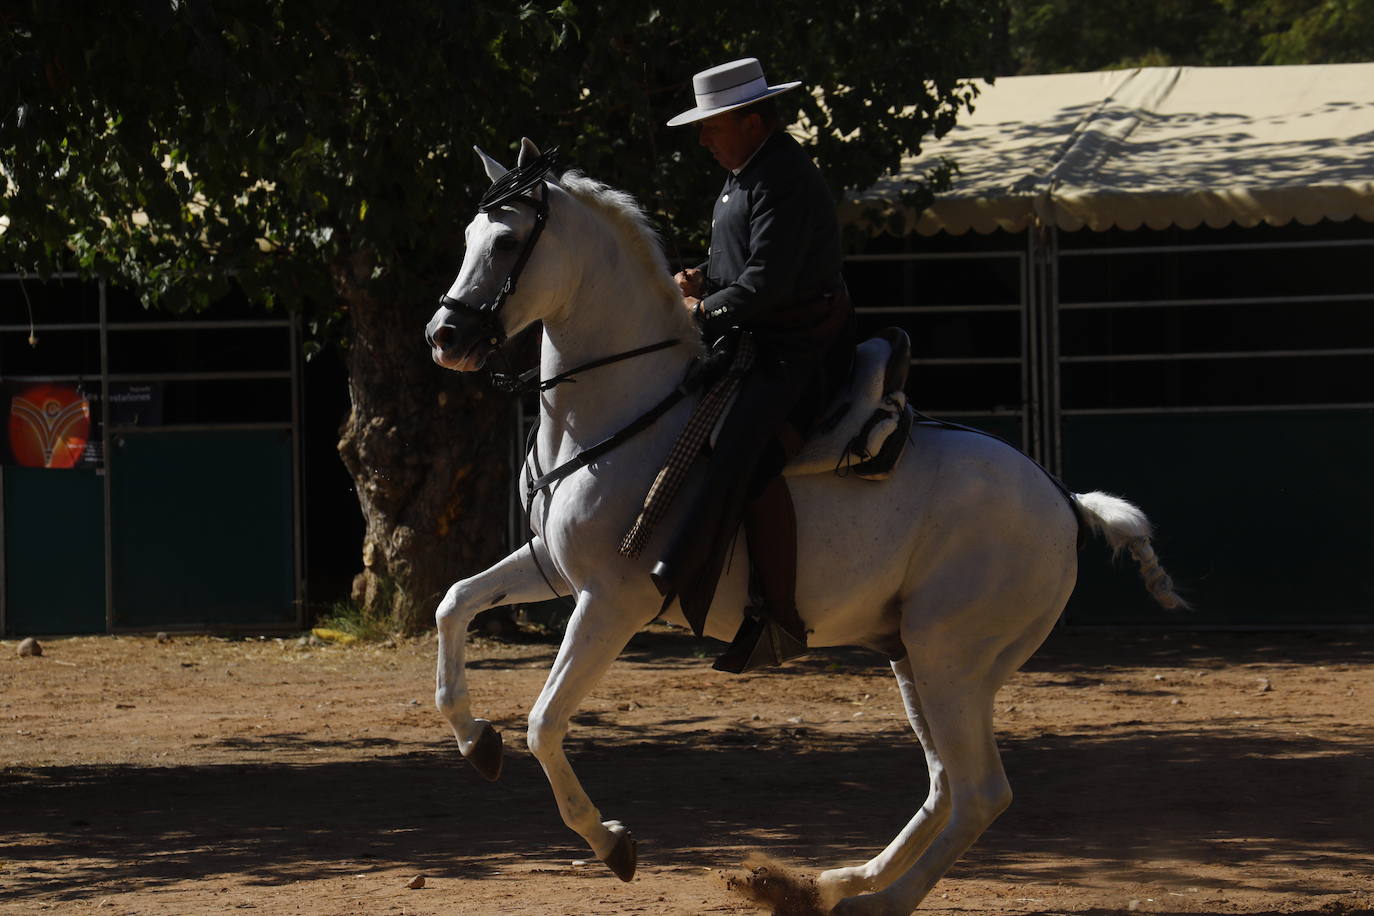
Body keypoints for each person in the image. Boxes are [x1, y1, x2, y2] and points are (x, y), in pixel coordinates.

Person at [653, 57, 853, 673]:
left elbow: (767, 284)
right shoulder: (745, 175)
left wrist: (697, 312)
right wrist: (701, 280)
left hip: (797, 353)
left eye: (712, 124)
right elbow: (742, 269)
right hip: (755, 344)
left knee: (753, 456)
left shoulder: (782, 176)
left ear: (749, 118)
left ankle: (780, 617)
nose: (704, 136)